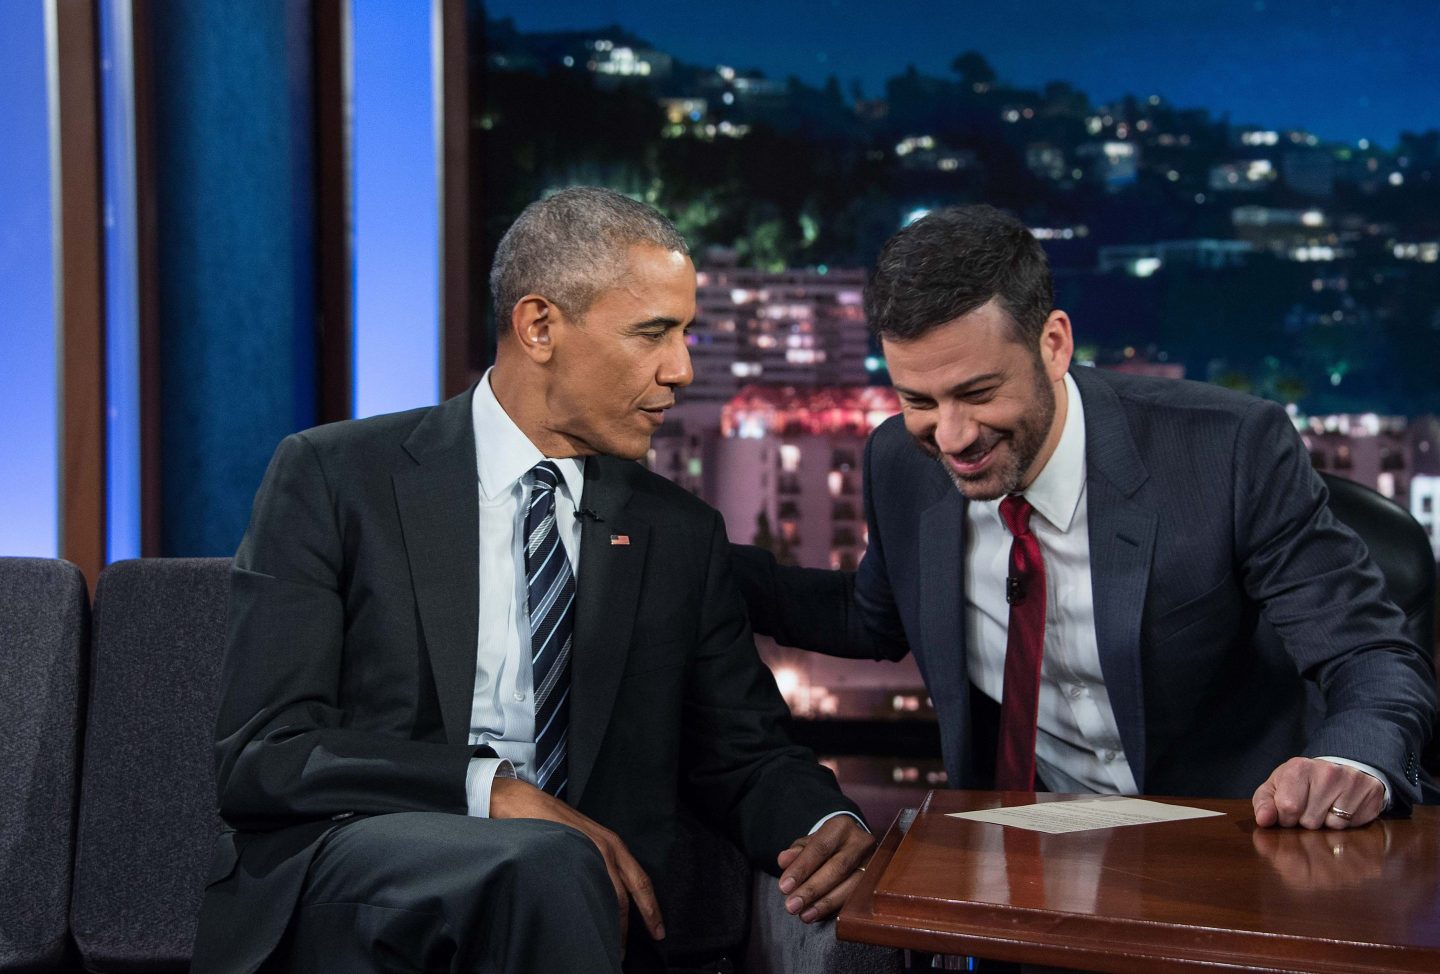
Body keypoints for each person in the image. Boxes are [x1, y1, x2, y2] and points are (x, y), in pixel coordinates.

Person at [191, 187, 872, 974]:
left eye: (686, 334)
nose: (681, 370)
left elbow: (745, 754)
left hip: (584, 910)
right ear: (539, 326)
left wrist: (825, 821)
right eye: (653, 333)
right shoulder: (335, 477)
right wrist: (489, 789)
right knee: (543, 862)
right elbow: (266, 753)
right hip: (372, 880)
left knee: (552, 872)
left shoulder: (679, 533)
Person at [735, 204, 1435, 831]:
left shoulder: (1229, 450)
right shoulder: (899, 461)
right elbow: (871, 618)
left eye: (977, 393)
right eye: (919, 400)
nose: (951, 436)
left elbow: (1370, 654)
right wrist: (698, 555)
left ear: (1054, 344)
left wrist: (1350, 763)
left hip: (1236, 844)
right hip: (1025, 854)